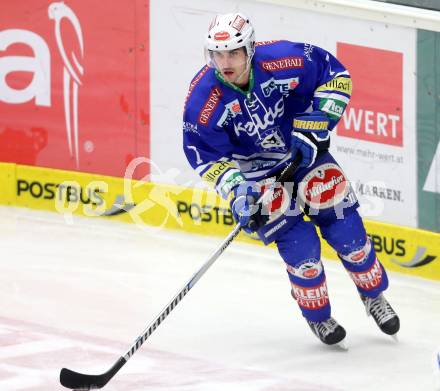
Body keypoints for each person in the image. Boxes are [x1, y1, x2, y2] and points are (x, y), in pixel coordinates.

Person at [182, 12, 400, 346]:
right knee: (303, 251)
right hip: (257, 179)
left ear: (250, 50)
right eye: (218, 54)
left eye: (234, 53)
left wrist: (315, 127)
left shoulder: (283, 58)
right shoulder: (203, 100)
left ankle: (373, 296)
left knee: (349, 235)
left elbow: (336, 76)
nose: (225, 62)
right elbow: (203, 154)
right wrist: (239, 192)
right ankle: (320, 318)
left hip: (304, 154)